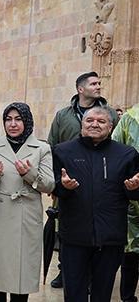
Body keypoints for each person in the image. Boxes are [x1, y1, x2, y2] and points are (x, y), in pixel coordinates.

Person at [53, 106, 139, 302]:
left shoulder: (126, 154)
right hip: (74, 237)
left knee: (102, 295)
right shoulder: (63, 151)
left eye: (101, 121)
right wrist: (64, 186)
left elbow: (134, 192)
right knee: (74, 295)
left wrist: (133, 188)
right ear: (82, 125)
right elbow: (55, 188)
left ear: (110, 127)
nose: (95, 124)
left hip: (110, 238)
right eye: (90, 120)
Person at [47, 71, 119, 288]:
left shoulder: (110, 114)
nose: (98, 86)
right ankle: (66, 269)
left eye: (100, 83)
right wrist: (55, 182)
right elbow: (52, 145)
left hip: (101, 178)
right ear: (80, 89)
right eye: (94, 83)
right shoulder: (63, 115)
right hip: (68, 178)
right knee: (66, 223)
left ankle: (91, 273)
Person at [0, 102, 55, 302]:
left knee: (22, 271)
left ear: (27, 121)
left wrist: (29, 174)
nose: (13, 124)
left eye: (18, 119)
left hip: (27, 214)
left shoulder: (42, 148)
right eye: (8, 119)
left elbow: (49, 185)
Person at [113, 103, 139, 302]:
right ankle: (128, 297)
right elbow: (114, 151)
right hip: (132, 195)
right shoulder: (130, 118)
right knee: (131, 251)